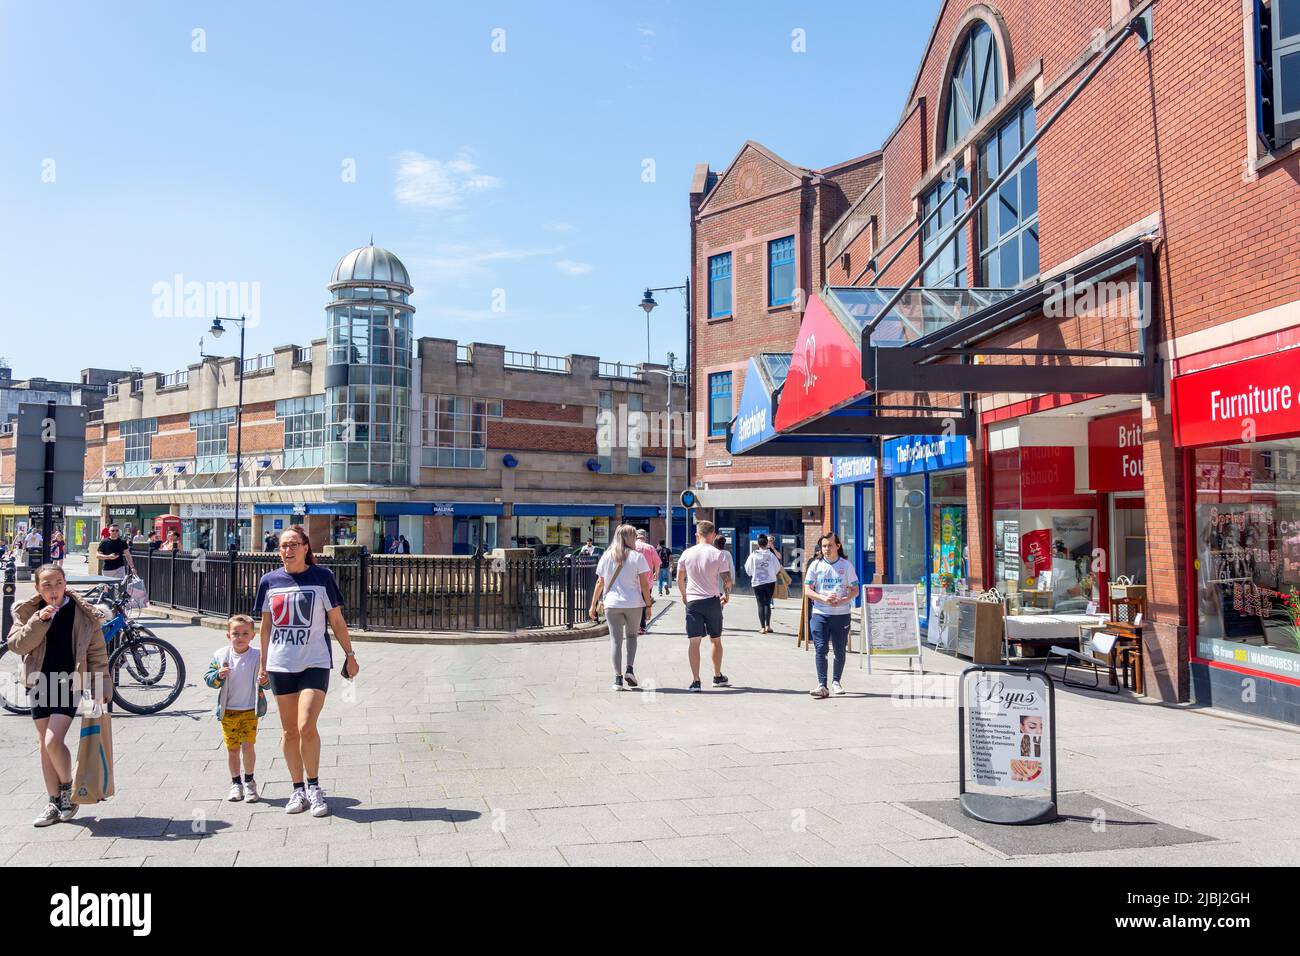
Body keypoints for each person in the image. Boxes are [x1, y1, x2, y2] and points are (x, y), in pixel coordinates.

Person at [254, 525, 359, 818]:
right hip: (280, 663)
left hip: (314, 660)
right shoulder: (269, 580)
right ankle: (297, 788)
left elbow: (336, 620)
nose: (287, 550)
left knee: (305, 726)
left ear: (305, 548)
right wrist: (262, 664)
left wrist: (350, 655)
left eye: (292, 545)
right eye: (283, 546)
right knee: (288, 730)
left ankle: (314, 786)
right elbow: (265, 627)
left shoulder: (322, 577)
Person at [7, 565, 112, 827]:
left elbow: (97, 653)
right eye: (46, 585)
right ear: (37, 588)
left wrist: (102, 687)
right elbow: (17, 645)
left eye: (58, 583)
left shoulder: (83, 613)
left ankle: (68, 790)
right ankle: (54, 802)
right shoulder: (28, 611)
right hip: (38, 681)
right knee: (44, 744)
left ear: (65, 583)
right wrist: (38, 621)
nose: (53, 590)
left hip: (69, 682)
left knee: (54, 740)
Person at [204, 614, 270, 803]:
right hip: (228, 711)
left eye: (245, 633)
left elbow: (268, 681)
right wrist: (218, 675)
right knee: (232, 749)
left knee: (248, 746)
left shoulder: (259, 656)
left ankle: (249, 782)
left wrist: (265, 680)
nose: (240, 637)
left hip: (250, 710)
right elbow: (208, 679)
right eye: (236, 633)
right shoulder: (221, 655)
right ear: (228, 636)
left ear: (253, 635)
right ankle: (236, 783)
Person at [588, 524, 652, 691]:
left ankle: (617, 679)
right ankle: (629, 669)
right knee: (631, 637)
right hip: (634, 603)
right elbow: (645, 585)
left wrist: (593, 604)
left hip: (612, 604)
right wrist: (649, 605)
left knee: (616, 641)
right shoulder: (637, 557)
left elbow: (600, 582)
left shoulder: (607, 556)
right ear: (631, 538)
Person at [676, 520, 732, 692]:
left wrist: (684, 594)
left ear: (697, 534)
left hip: (693, 601)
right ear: (713, 535)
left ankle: (696, 680)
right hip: (712, 601)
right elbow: (727, 580)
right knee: (715, 640)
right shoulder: (719, 554)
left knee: (694, 642)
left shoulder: (686, 553)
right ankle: (717, 676)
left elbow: (679, 578)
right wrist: (726, 595)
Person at [802, 532, 860, 699]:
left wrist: (844, 599)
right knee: (821, 648)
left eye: (830, 545)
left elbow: (855, 589)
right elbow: (807, 590)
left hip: (841, 614)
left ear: (837, 546)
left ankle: (836, 682)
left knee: (840, 650)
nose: (826, 549)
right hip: (820, 613)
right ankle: (822, 685)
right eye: (824, 546)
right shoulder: (815, 565)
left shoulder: (846, 566)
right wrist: (823, 598)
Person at [745, 534, 782, 634]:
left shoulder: (753, 555)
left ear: (758, 544)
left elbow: (748, 568)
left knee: (760, 604)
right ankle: (768, 626)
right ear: (767, 543)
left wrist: (752, 574)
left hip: (757, 582)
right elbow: (777, 567)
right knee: (767, 603)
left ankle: (762, 627)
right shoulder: (771, 555)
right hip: (770, 581)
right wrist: (771, 574)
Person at [633, 529, 661, 635]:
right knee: (644, 602)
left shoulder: (631, 547)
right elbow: (657, 563)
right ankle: (641, 626)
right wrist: (656, 574)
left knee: (633, 603)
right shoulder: (650, 548)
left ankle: (633, 625)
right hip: (647, 581)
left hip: (632, 581)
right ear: (645, 537)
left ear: (636, 536)